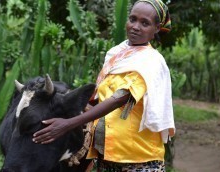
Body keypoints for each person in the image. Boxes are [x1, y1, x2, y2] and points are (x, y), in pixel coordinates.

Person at [33, 0, 175, 171]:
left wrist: (67, 124)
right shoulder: (117, 54)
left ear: (157, 28)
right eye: (132, 19)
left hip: (138, 159)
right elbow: (100, 99)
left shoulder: (150, 62)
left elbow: (117, 100)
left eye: (145, 23)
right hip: (106, 156)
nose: (136, 26)